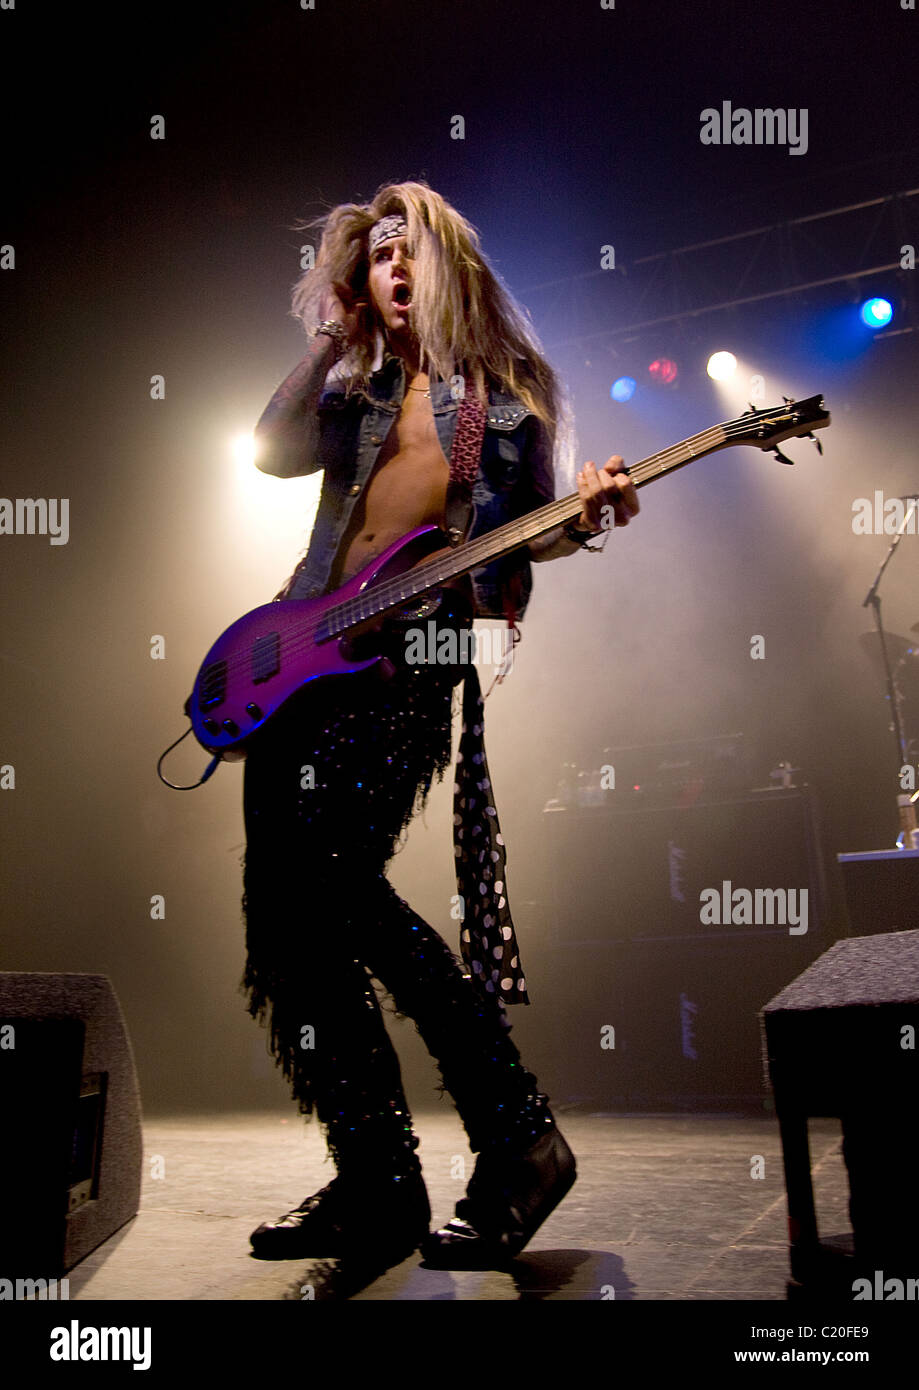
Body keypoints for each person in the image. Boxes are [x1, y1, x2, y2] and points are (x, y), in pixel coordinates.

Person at [241, 180, 639, 1270]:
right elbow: (268, 451)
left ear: (447, 261)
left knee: (335, 889)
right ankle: (378, 1177)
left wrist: (587, 516)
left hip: (422, 657)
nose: (391, 266)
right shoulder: (352, 391)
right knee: (286, 928)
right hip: (297, 663)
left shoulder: (510, 398)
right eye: (373, 257)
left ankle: (519, 1136)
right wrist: (329, 343)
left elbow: (524, 540)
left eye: (406, 248)